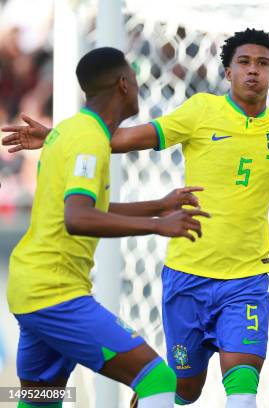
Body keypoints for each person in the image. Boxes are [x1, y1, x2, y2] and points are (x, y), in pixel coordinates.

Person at [5, 47, 209, 408]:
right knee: (158, 380)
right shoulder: (89, 140)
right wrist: (157, 225)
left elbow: (84, 207)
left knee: (42, 400)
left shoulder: (69, 130)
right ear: (123, 84)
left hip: (31, 287)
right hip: (55, 293)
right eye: (134, 77)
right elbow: (78, 217)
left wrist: (158, 205)